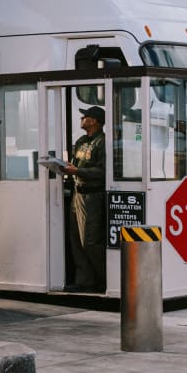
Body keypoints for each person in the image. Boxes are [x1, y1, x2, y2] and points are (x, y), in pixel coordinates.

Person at [63, 105, 107, 293]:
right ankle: (84, 280)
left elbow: (103, 171)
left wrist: (78, 171)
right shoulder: (81, 141)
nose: (82, 118)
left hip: (92, 195)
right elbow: (76, 163)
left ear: (95, 120)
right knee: (76, 239)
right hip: (77, 193)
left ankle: (104, 279)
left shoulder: (102, 142)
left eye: (86, 116)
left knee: (90, 240)